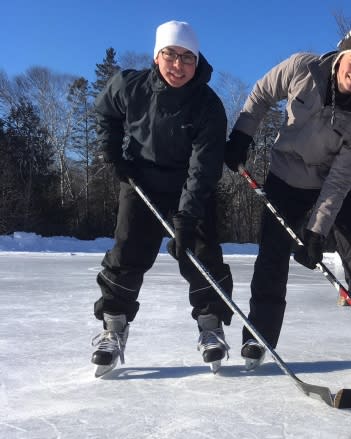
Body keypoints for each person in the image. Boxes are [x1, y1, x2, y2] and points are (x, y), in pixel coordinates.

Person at [224, 26, 351, 370]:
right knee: (272, 258)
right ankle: (258, 336)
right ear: (341, 55)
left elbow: (342, 177)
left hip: (330, 184)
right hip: (284, 176)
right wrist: (242, 134)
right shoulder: (303, 68)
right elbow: (261, 94)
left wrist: (317, 230)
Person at [90, 20, 233, 377]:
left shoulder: (208, 106)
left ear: (197, 62)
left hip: (189, 187)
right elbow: (106, 112)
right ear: (157, 56)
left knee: (202, 255)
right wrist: (112, 152)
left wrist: (185, 219)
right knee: (127, 253)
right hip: (141, 182)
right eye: (171, 55)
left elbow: (204, 168)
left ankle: (210, 327)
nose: (179, 65)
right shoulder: (130, 85)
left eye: (187, 57)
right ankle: (114, 329)